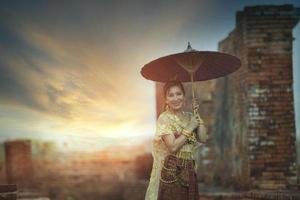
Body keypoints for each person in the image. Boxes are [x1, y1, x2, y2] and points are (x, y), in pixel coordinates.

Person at [145, 81, 206, 200]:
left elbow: (203, 138)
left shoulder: (189, 117)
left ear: (184, 96)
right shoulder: (165, 118)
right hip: (172, 170)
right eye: (171, 95)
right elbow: (172, 147)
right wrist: (190, 127)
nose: (175, 98)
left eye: (178, 94)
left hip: (189, 169)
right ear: (166, 99)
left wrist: (197, 117)